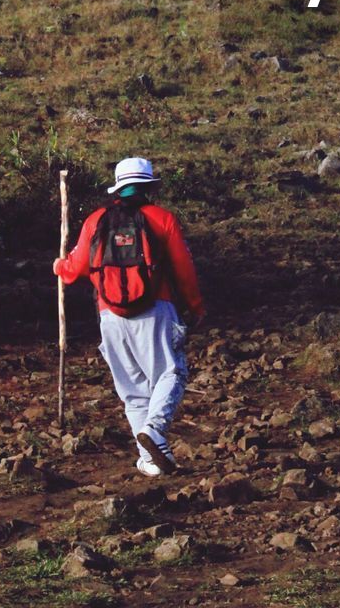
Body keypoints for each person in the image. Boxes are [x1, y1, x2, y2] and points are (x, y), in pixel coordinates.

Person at [53, 157, 204, 477]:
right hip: (156, 310)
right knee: (170, 374)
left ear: (118, 188)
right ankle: (155, 428)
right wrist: (195, 305)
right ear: (149, 186)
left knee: (133, 390)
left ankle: (150, 459)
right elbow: (184, 269)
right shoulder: (162, 219)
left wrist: (59, 267)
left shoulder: (95, 220)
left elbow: (75, 268)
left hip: (110, 316)